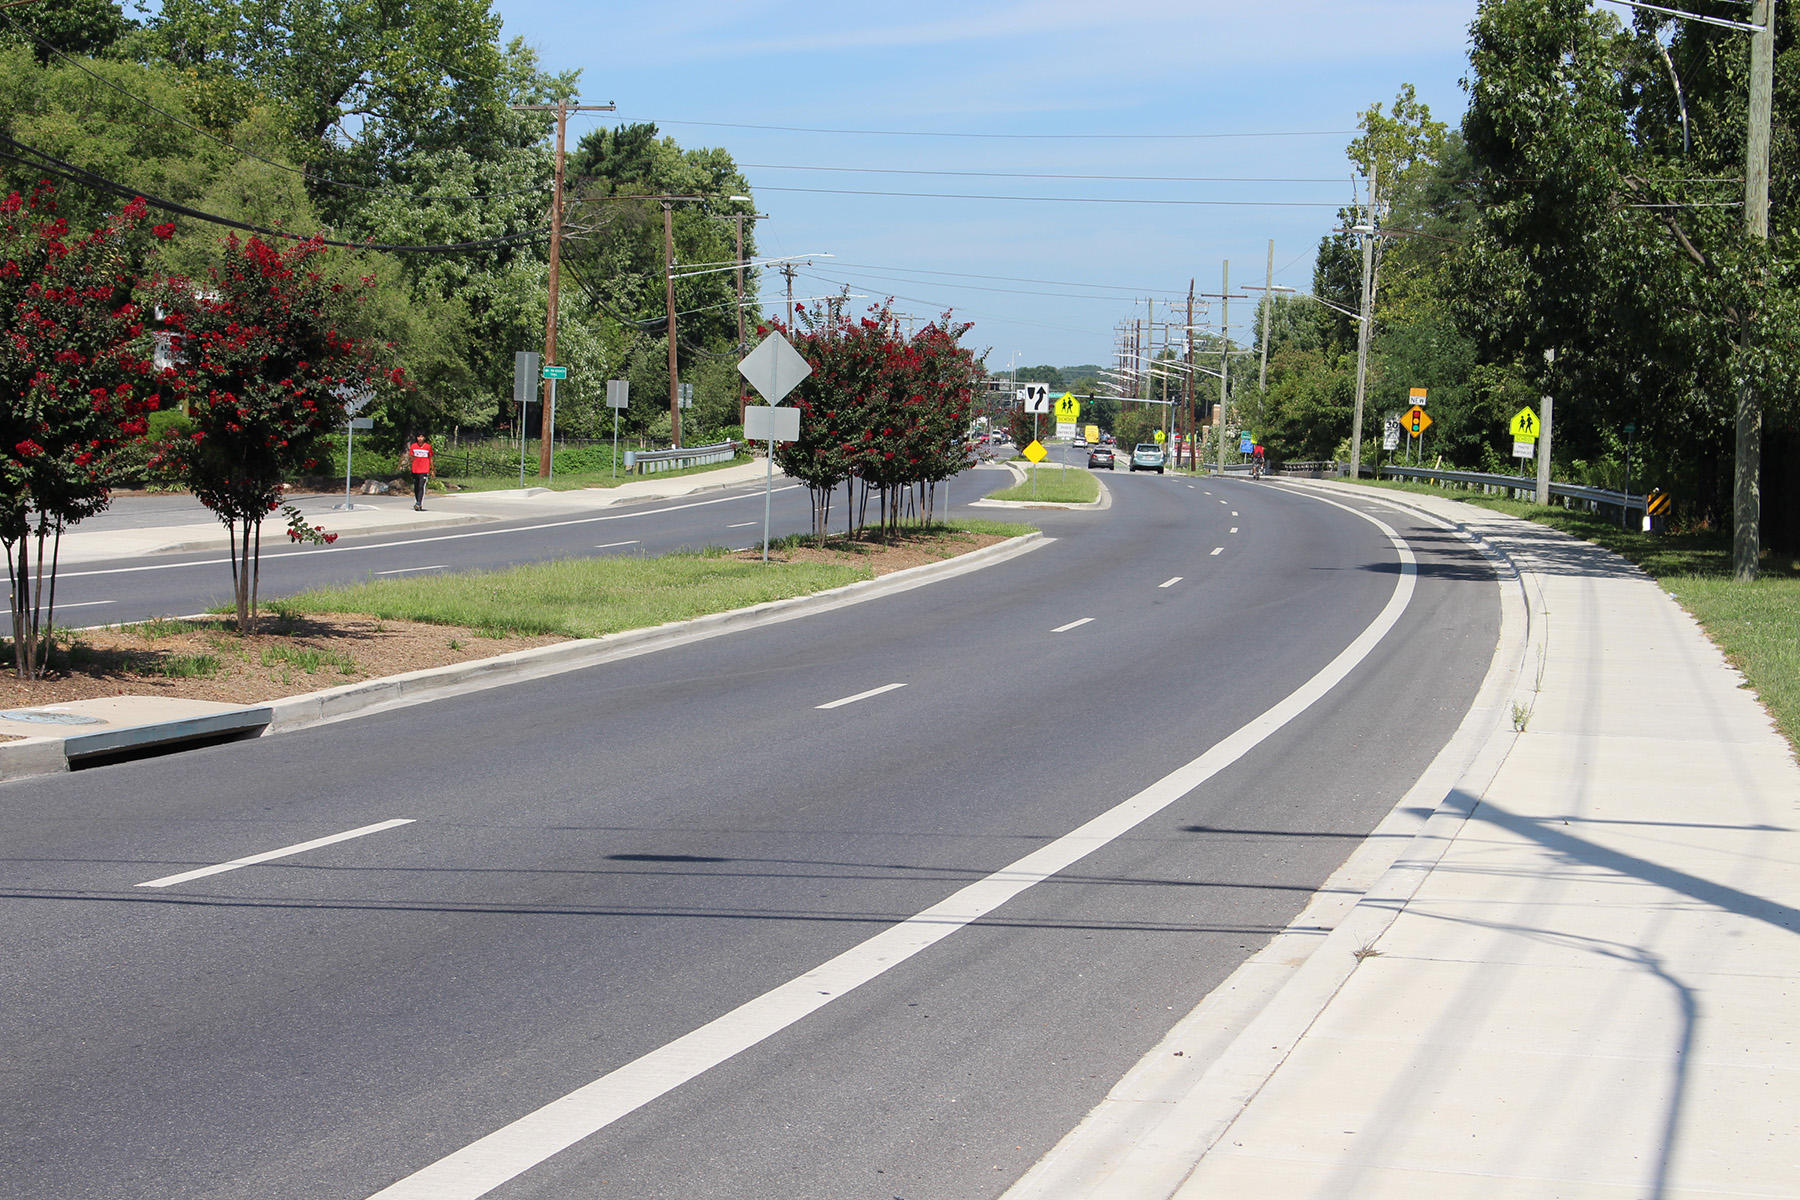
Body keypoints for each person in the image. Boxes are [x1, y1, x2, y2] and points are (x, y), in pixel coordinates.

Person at [403, 432, 433, 510]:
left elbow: (431, 458)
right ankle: (417, 502)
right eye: (418, 437)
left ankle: (419, 503)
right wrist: (412, 459)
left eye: (422, 437)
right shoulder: (413, 446)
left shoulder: (428, 447)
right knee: (416, 487)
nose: (420, 438)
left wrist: (432, 469)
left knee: (421, 486)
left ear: (424, 438)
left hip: (424, 469)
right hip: (415, 469)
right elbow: (410, 457)